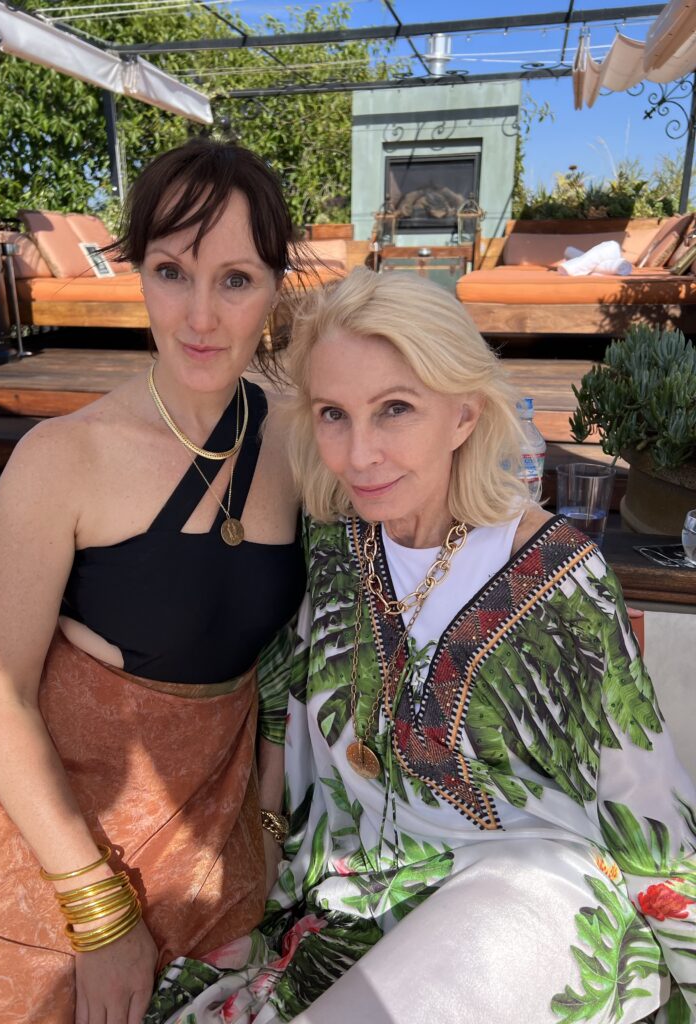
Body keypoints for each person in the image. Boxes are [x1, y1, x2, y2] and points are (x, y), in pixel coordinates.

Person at [148, 267, 696, 1024]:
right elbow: (278, 708)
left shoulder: (563, 575)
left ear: (464, 414)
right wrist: (259, 862)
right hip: (352, 905)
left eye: (395, 409)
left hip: (528, 899)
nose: (360, 455)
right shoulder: (334, 550)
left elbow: (648, 807)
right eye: (335, 414)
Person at [0, 138, 306, 1024]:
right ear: (137, 272)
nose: (202, 316)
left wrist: (266, 820)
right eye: (173, 272)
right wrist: (98, 919)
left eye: (236, 279)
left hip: (215, 844)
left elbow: (302, 653)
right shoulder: (61, 460)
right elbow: (0, 697)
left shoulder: (302, 444)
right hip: (49, 838)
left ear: (275, 289)